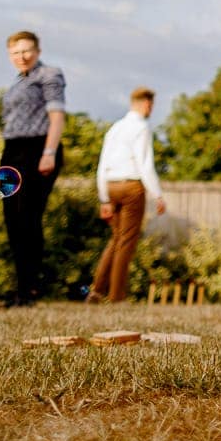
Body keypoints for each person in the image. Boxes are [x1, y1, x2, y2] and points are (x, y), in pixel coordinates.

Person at [0, 30, 66, 306]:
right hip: (12, 151)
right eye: (16, 52)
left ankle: (30, 288)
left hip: (37, 149)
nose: (22, 56)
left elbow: (57, 116)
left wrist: (49, 152)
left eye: (26, 50)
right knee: (12, 218)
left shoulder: (49, 75)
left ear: (37, 51)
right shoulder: (17, 82)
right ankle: (21, 285)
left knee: (27, 217)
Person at [88, 87, 165, 303]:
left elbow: (102, 164)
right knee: (126, 242)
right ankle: (116, 296)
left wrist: (104, 198)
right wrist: (158, 195)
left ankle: (97, 290)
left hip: (111, 186)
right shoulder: (142, 128)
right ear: (147, 104)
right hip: (131, 187)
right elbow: (144, 164)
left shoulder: (115, 128)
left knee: (116, 239)